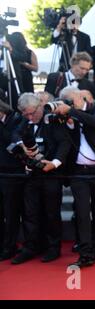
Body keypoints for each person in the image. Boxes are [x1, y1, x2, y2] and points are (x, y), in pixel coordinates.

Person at [11, 93, 71, 264]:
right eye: (26, 114)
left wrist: (54, 163)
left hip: (52, 173)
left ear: (40, 106)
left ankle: (53, 248)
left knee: (52, 213)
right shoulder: (23, 120)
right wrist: (21, 145)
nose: (30, 117)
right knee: (30, 213)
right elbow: (14, 134)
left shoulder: (52, 120)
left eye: (33, 113)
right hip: (31, 174)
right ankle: (31, 246)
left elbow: (64, 143)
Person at [54, 87, 95, 267]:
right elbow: (64, 140)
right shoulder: (67, 117)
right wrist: (66, 119)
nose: (70, 104)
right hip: (78, 171)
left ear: (80, 96)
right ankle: (85, 252)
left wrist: (72, 111)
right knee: (82, 212)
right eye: (67, 102)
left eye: (72, 100)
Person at [0, 100, 25, 261]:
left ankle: (9, 246)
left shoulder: (16, 119)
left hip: (12, 174)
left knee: (11, 213)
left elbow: (12, 142)